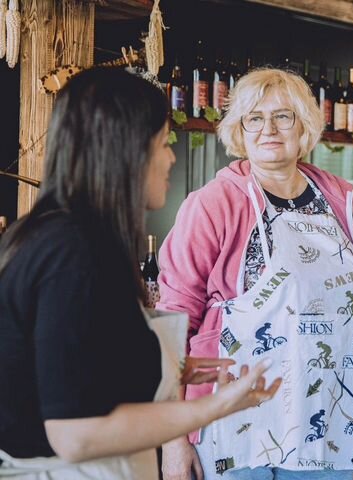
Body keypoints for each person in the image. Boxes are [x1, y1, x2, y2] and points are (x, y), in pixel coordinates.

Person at [0, 68, 280, 479]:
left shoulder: (64, 234)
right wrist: (219, 405)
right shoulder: (71, 252)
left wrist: (179, 368)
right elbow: (75, 435)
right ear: (125, 149)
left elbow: (73, 361)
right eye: (164, 142)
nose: (171, 157)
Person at [158, 68, 353, 480]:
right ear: (240, 130)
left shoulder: (338, 199)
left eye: (283, 116)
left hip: (325, 414)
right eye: (254, 118)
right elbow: (172, 324)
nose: (268, 129)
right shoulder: (212, 204)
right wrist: (174, 439)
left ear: (305, 125)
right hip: (234, 417)